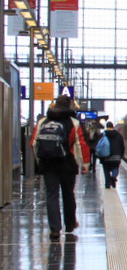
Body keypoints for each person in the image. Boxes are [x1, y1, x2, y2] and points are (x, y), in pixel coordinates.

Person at [31, 95, 90, 240]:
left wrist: (40, 160)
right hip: (67, 164)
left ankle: (55, 229)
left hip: (48, 164)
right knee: (68, 193)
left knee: (52, 195)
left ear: (55, 105)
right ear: (69, 106)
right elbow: (81, 144)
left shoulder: (43, 121)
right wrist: (85, 164)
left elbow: (33, 143)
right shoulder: (73, 123)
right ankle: (69, 224)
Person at [98, 121, 125, 189]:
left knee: (106, 170)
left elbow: (99, 146)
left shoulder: (103, 135)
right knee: (115, 168)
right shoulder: (119, 135)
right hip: (116, 156)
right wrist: (121, 155)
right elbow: (122, 146)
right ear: (113, 127)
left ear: (107, 127)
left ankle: (107, 184)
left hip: (105, 156)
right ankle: (113, 177)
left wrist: (99, 156)